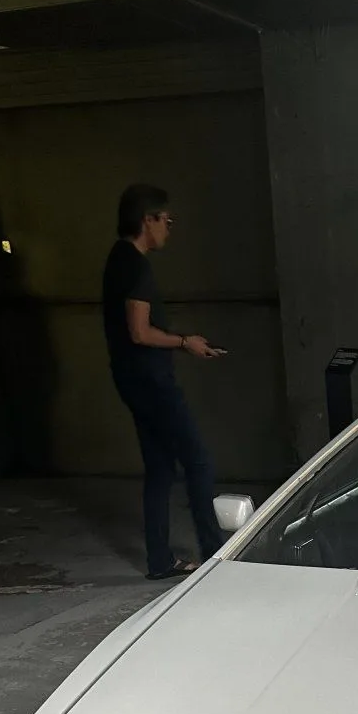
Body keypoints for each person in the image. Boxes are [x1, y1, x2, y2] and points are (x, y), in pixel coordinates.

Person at [103, 184, 227, 580]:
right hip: (151, 381)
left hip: (131, 379)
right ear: (148, 220)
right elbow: (139, 332)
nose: (169, 230)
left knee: (159, 468)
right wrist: (185, 342)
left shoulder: (117, 258)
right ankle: (216, 556)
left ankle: (160, 561)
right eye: (167, 221)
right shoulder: (135, 266)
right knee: (198, 461)